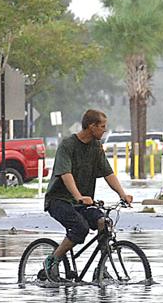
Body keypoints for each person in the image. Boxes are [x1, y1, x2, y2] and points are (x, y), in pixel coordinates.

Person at [43, 109, 133, 281]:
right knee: (80, 228)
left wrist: (123, 194)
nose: (104, 130)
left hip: (82, 202)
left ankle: (101, 267)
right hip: (59, 200)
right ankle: (53, 260)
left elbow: (108, 173)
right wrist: (78, 196)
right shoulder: (68, 145)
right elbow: (65, 174)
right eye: (102, 127)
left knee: (104, 222)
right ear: (91, 126)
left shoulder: (96, 147)